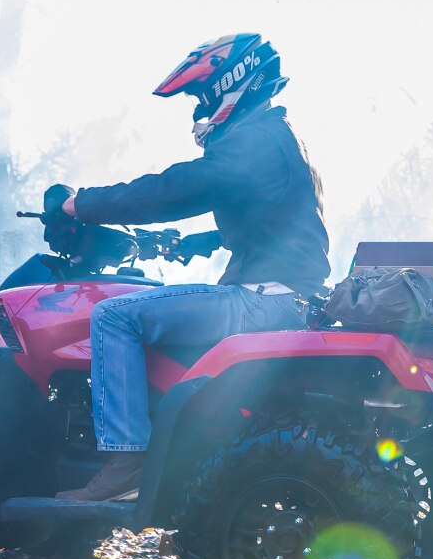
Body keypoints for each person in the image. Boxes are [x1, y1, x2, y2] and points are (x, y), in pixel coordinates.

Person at [52, 33, 331, 501]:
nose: (198, 108)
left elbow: (175, 189)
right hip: (290, 298)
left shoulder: (256, 139)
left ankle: (126, 459)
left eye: (202, 95)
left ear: (232, 84)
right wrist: (191, 243)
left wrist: (78, 205)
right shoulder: (281, 139)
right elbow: (270, 217)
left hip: (262, 303)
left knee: (113, 315)